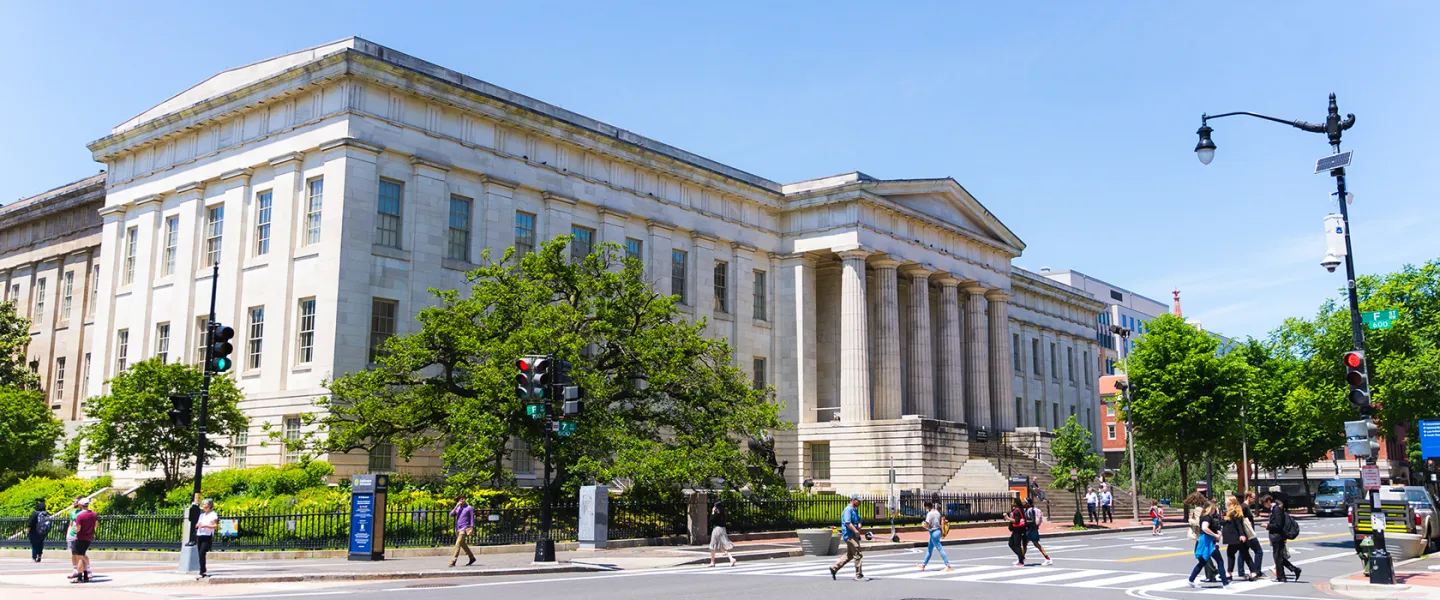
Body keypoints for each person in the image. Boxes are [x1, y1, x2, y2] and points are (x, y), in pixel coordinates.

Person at [1187, 502, 1230, 589]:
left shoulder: (1204, 517)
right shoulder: (1207, 517)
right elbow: (1204, 528)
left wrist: (1217, 533)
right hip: (1208, 541)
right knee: (1219, 561)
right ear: (1210, 508)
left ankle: (1191, 580)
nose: (1215, 511)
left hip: (1206, 540)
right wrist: (1215, 535)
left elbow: (1208, 528)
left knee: (1203, 562)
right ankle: (1225, 583)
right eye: (1214, 509)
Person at [1262, 495, 1301, 582]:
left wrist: (1267, 526)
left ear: (1268, 501)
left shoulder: (1277, 510)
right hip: (1277, 536)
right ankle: (1294, 570)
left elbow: (1278, 525)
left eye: (1264, 503)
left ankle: (1281, 577)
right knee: (1279, 557)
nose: (1264, 506)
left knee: (1277, 557)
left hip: (1278, 536)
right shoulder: (1274, 510)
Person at [829, 495, 866, 580]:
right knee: (858, 554)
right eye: (858, 501)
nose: (860, 503)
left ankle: (834, 568)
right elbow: (847, 523)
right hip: (849, 535)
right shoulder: (848, 510)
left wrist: (859, 525)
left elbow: (859, 520)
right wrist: (855, 531)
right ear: (853, 500)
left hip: (853, 535)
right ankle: (859, 575)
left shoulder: (855, 510)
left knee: (850, 555)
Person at [1221, 497, 1252, 581]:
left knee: (1231, 553)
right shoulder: (1230, 511)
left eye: (1227, 500)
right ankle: (1253, 572)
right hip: (1235, 537)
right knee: (1245, 554)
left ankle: (1229, 573)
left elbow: (1239, 524)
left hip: (1235, 537)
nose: (1225, 501)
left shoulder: (1234, 512)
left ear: (1231, 502)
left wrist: (1242, 535)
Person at [916, 501, 951, 571]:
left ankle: (948, 565)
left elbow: (927, 524)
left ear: (927, 506)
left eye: (925, 507)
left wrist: (923, 525)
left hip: (933, 532)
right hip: (938, 531)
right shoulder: (937, 512)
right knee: (929, 549)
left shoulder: (929, 514)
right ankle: (923, 565)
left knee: (940, 549)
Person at [70, 498, 97, 584]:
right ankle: (85, 576)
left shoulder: (80, 516)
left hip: (80, 538)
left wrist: (74, 527)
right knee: (82, 555)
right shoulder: (93, 514)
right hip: (89, 538)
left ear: (81, 505)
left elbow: (78, 529)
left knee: (80, 557)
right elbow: (96, 525)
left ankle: (80, 577)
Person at [1023, 497, 1053, 566]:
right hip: (1031, 529)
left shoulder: (1030, 510)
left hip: (1031, 529)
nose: (1023, 503)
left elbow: (1032, 521)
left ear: (1027, 503)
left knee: (1036, 544)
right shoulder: (1027, 510)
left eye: (1024, 502)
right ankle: (1021, 559)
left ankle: (1048, 559)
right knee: (1025, 544)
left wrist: (1025, 523)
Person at [1241, 493, 1264, 581]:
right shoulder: (1245, 507)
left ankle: (1241, 571)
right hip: (1248, 533)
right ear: (1248, 497)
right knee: (1259, 551)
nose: (1255, 499)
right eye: (1253, 498)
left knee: (1244, 552)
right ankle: (1257, 571)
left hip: (1245, 533)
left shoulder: (1244, 507)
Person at [448, 495, 476, 567]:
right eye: (460, 499)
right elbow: (451, 514)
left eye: (463, 499)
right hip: (458, 528)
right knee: (463, 544)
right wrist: (456, 506)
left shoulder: (469, 508)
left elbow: (472, 518)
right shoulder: (458, 508)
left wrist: (472, 527)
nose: (462, 500)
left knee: (457, 544)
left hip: (464, 528)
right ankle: (472, 557)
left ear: (465, 499)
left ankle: (453, 560)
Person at [708, 500, 737, 567]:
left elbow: (711, 520)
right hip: (722, 529)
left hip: (717, 529)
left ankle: (712, 562)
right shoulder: (723, 514)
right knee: (721, 546)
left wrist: (712, 512)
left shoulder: (716, 514)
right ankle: (731, 558)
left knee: (713, 545)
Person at [194, 499, 218, 578]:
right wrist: (197, 525)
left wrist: (206, 526)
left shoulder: (213, 514)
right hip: (200, 534)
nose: (203, 506)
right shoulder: (202, 515)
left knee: (202, 553)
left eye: (205, 504)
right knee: (200, 554)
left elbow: (215, 526)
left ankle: (203, 571)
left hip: (207, 535)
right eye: (203, 504)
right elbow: (197, 524)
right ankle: (202, 570)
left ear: (209, 505)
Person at [1007, 496, 1028, 566]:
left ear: (1015, 503)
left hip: (1018, 529)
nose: (1011, 503)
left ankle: (1021, 560)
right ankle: (1021, 557)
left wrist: (1007, 518)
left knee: (1016, 545)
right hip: (1018, 529)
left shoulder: (1016, 511)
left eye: (1013, 501)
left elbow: (1016, 521)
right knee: (1011, 543)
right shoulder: (1019, 509)